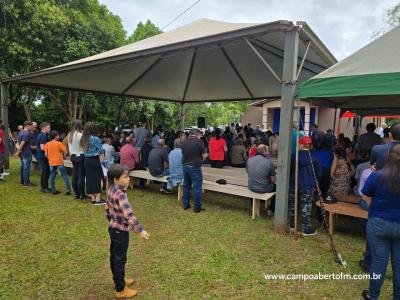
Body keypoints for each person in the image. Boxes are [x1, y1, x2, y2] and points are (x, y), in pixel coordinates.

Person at [361, 144, 400, 300]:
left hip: (378, 222)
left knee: (378, 262)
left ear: (388, 157)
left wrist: (376, 207)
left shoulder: (377, 175)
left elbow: (365, 195)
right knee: (398, 264)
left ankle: (373, 295)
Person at [105, 164, 150, 299]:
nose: (128, 179)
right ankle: (120, 289)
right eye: (125, 177)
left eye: (128, 176)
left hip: (113, 229)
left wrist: (111, 221)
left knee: (115, 257)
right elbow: (129, 215)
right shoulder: (120, 195)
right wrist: (140, 230)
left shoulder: (111, 189)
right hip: (120, 232)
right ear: (115, 179)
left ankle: (120, 279)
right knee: (119, 259)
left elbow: (107, 209)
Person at [289, 136, 321, 236]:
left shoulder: (294, 156)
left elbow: (290, 170)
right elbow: (318, 173)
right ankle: (305, 228)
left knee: (293, 204)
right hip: (308, 184)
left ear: (301, 145)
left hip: (294, 183)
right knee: (306, 206)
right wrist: (316, 184)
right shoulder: (314, 157)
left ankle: (292, 224)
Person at [181, 129, 207, 212]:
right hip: (195, 167)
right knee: (197, 187)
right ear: (196, 134)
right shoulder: (199, 142)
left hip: (185, 166)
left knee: (186, 186)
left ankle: (185, 204)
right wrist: (201, 161)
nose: (200, 136)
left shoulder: (184, 142)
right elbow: (205, 155)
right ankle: (197, 207)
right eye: (200, 134)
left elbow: (183, 153)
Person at [246, 144, 276, 214]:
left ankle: (255, 205)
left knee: (257, 181)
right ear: (264, 152)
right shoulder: (269, 162)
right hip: (263, 188)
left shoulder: (249, 160)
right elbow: (273, 180)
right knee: (279, 189)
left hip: (251, 187)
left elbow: (249, 173)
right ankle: (271, 210)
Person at [82, 122, 105, 205]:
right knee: (97, 179)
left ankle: (93, 199)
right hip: (94, 160)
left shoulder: (83, 138)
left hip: (86, 160)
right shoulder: (95, 138)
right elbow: (101, 150)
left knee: (89, 179)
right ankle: (98, 199)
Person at [45, 131, 71, 195]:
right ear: (56, 136)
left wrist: (50, 158)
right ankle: (68, 189)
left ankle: (53, 190)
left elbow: (46, 154)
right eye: (58, 135)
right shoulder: (59, 143)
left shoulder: (47, 144)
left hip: (51, 162)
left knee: (52, 176)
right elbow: (65, 152)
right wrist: (63, 156)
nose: (59, 136)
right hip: (59, 161)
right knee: (64, 175)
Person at [68, 120, 86, 200]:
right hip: (80, 155)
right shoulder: (80, 134)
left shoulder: (69, 135)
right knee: (80, 176)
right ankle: (82, 194)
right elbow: (84, 145)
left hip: (73, 156)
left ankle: (76, 193)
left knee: (74, 175)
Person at [17, 121, 34, 187]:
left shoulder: (21, 132)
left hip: (22, 153)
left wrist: (19, 151)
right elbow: (22, 143)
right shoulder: (26, 134)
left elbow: (18, 143)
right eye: (31, 126)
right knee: (26, 168)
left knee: (23, 167)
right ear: (27, 126)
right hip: (26, 153)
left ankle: (23, 181)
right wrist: (19, 150)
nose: (32, 128)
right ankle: (26, 183)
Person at [36, 122, 51, 193]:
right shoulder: (43, 136)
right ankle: (44, 187)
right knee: (45, 171)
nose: (49, 129)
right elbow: (42, 147)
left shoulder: (40, 135)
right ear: (43, 128)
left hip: (40, 156)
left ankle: (44, 187)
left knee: (45, 171)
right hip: (43, 156)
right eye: (48, 128)